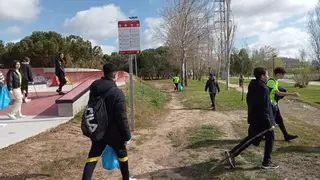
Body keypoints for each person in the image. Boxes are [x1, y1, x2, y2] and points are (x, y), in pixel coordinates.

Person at [81, 63, 135, 180]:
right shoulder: (117, 93)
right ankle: (126, 178)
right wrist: (127, 136)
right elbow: (122, 118)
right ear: (115, 74)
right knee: (122, 156)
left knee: (92, 158)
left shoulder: (94, 87)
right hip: (114, 134)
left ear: (104, 73)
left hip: (98, 130)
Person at [224, 67, 278, 169]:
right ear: (262, 76)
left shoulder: (253, 85)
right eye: (267, 75)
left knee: (251, 137)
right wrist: (270, 123)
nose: (268, 76)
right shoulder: (264, 89)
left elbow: (249, 101)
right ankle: (267, 162)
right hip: (262, 119)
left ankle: (232, 153)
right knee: (270, 137)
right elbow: (265, 108)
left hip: (254, 117)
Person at [267, 67, 299, 141]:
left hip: (274, 104)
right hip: (270, 105)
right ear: (278, 74)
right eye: (282, 74)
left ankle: (286, 135)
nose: (283, 76)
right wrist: (292, 94)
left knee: (279, 120)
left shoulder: (275, 81)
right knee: (270, 122)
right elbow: (278, 93)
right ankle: (261, 136)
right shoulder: (271, 81)